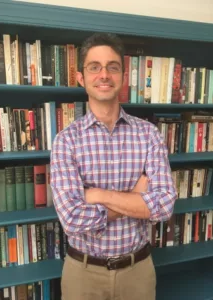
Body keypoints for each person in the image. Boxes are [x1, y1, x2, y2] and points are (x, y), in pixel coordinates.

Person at [50, 32, 177, 300]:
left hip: (138, 272)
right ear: (81, 78)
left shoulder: (149, 135)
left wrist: (96, 195)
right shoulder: (65, 141)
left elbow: (164, 206)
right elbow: (71, 220)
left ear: (123, 77)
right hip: (83, 274)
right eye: (94, 67)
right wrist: (135, 199)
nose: (104, 75)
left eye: (112, 67)